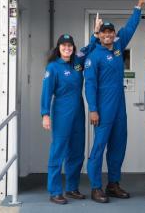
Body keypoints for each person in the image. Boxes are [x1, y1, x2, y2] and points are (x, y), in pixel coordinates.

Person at [84, 0, 145, 203]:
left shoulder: (119, 47)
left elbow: (130, 27)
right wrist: (93, 109)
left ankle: (113, 184)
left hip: (120, 106)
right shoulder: (94, 56)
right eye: (104, 32)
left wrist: (138, 6)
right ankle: (95, 187)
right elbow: (90, 85)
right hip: (102, 107)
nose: (108, 35)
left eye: (111, 32)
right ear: (99, 35)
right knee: (99, 147)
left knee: (118, 145)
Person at [40, 21, 100, 205]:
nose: (67, 48)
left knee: (76, 151)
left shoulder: (77, 63)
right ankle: (55, 190)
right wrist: (45, 114)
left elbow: (89, 48)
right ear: (58, 48)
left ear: (73, 48)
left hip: (78, 112)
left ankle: (72, 188)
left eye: (69, 46)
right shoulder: (53, 68)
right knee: (58, 151)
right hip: (61, 112)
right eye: (63, 46)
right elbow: (46, 92)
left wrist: (95, 33)